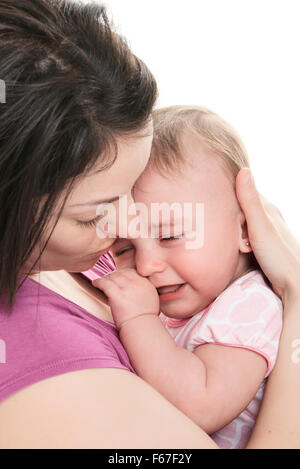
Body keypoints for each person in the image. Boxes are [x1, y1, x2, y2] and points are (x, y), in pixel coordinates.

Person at [0, 0, 299, 449]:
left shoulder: (245, 307)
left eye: (130, 187)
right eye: (96, 214)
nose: (126, 226)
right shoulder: (36, 352)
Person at [96, 105, 284, 449]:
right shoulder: (184, 305)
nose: (146, 265)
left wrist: (140, 320)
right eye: (124, 249)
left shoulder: (249, 303)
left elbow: (201, 405)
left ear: (244, 230)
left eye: (169, 237)